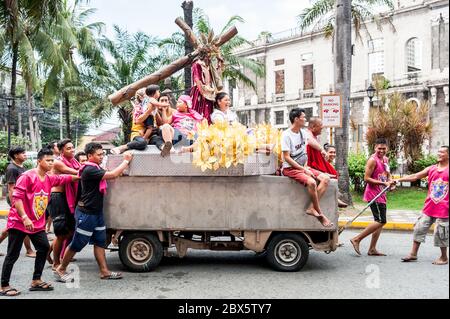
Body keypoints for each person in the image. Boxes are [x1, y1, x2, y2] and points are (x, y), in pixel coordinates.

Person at [0, 148, 78, 297]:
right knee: (13, 254)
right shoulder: (27, 176)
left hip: (36, 224)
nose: (51, 163)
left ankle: (36, 280)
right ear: (39, 161)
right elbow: (17, 197)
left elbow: (66, 178)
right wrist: (24, 217)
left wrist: (83, 175)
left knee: (43, 248)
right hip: (19, 221)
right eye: (48, 160)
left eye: (52, 160)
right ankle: (4, 285)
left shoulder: (49, 178)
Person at [54, 143, 133, 283]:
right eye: (99, 154)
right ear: (90, 156)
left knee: (100, 242)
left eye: (102, 154)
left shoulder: (95, 168)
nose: (101, 157)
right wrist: (126, 160)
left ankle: (104, 272)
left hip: (96, 213)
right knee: (77, 243)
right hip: (87, 214)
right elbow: (113, 174)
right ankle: (61, 268)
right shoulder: (89, 169)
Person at [280, 108, 333, 228]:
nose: (305, 119)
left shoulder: (303, 133)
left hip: (303, 167)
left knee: (325, 179)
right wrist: (303, 170)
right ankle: (320, 213)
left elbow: (308, 146)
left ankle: (311, 208)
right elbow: (287, 157)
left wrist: (322, 150)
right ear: (296, 119)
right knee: (312, 182)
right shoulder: (286, 135)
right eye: (303, 117)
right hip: (290, 169)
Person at [397, 146, 449, 265]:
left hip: (444, 208)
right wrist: (398, 180)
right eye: (439, 151)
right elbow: (415, 176)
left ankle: (444, 257)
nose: (439, 153)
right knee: (419, 228)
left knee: (441, 232)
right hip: (429, 207)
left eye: (442, 152)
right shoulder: (431, 169)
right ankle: (413, 254)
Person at [350, 138, 396, 256]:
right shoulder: (372, 160)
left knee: (379, 222)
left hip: (382, 193)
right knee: (381, 220)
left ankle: (372, 249)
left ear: (387, 148)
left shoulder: (385, 159)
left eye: (383, 148)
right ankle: (357, 239)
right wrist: (383, 184)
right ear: (375, 148)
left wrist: (390, 183)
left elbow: (388, 175)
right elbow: (366, 178)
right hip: (373, 195)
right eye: (379, 148)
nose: (381, 150)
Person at [47, 139, 81, 271]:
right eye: (68, 148)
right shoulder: (58, 162)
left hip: (67, 199)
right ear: (61, 151)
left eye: (73, 148)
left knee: (69, 233)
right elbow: (76, 172)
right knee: (61, 234)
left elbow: (79, 169)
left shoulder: (74, 161)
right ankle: (56, 263)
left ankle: (48, 253)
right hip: (57, 198)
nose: (72, 150)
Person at [110, 85, 173, 157]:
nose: (150, 97)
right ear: (141, 97)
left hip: (151, 135)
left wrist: (161, 110)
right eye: (147, 95)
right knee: (142, 143)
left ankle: (164, 148)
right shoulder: (138, 108)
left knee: (158, 139)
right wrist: (149, 111)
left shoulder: (152, 107)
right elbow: (138, 121)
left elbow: (161, 123)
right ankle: (123, 147)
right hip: (138, 134)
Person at [0, 147, 36, 258]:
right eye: (23, 153)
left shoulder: (22, 167)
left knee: (11, 228)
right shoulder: (12, 168)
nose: (25, 155)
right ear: (16, 155)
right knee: (22, 225)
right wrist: (15, 205)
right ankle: (29, 250)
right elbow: (11, 188)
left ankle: (29, 250)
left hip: (23, 200)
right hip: (16, 201)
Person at [190, 53, 223, 123]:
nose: (210, 56)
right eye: (208, 54)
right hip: (201, 92)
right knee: (201, 114)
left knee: (209, 114)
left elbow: (217, 77)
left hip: (209, 93)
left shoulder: (210, 66)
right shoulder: (197, 64)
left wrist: (219, 62)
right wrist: (203, 93)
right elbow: (197, 79)